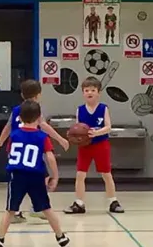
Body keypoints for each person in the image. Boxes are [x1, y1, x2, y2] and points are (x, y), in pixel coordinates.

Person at [0, 100, 70, 247]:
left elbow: (10, 154)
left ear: (19, 118)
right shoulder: (42, 137)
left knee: (10, 209)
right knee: (46, 208)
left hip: (17, 175)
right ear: (39, 117)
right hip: (36, 176)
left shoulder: (14, 135)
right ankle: (60, 236)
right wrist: (55, 175)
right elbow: (50, 157)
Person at [64, 77, 124, 214]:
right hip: (85, 146)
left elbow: (108, 127)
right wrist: (75, 135)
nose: (89, 92)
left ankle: (113, 201)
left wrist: (96, 133)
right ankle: (79, 203)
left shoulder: (103, 108)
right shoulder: (80, 110)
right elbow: (79, 127)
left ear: (98, 93)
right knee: (80, 174)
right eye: (86, 90)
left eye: (92, 90)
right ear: (83, 93)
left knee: (106, 174)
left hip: (101, 144)